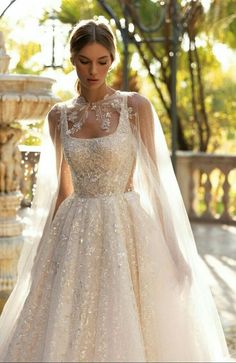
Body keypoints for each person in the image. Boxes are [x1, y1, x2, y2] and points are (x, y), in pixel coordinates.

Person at [0, 19, 232, 362]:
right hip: (74, 234)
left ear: (112, 60)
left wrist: (176, 251)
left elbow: (157, 188)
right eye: (84, 61)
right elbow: (62, 193)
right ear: (72, 58)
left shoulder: (134, 107)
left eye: (102, 61)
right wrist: (40, 256)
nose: (93, 70)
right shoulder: (58, 116)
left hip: (126, 231)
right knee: (69, 324)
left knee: (127, 320)